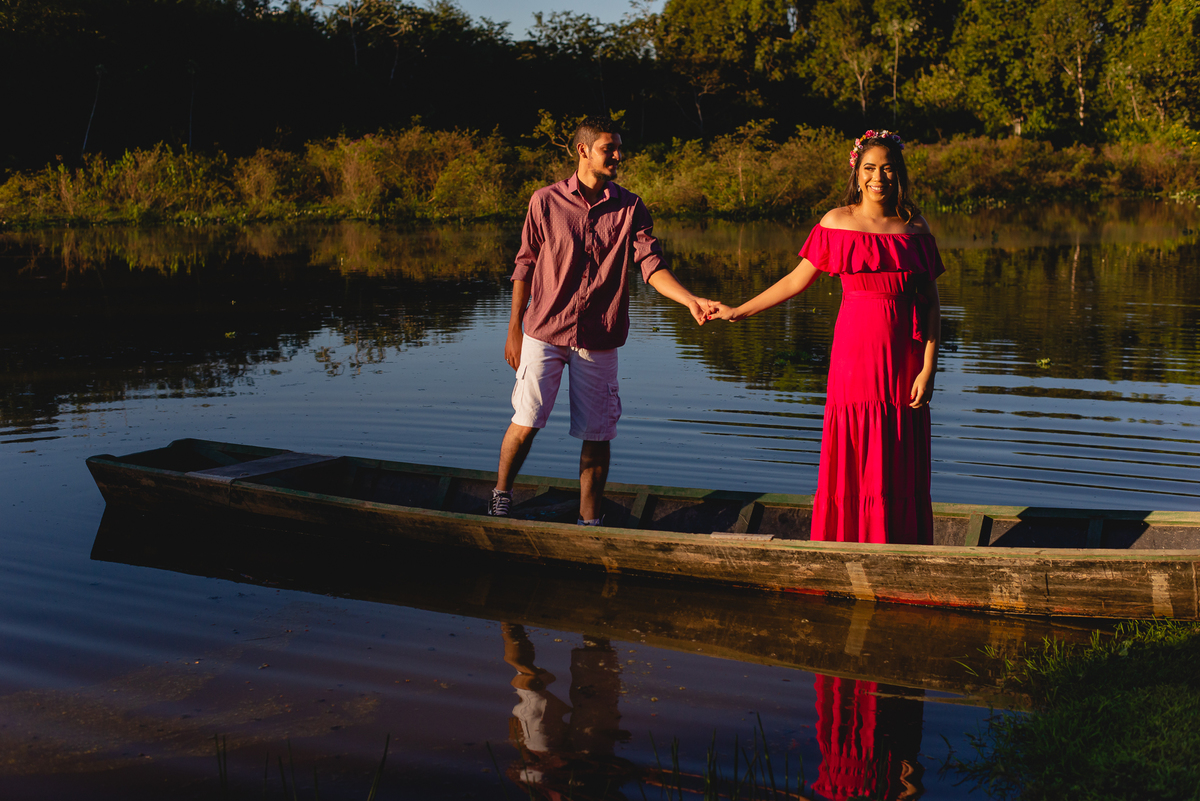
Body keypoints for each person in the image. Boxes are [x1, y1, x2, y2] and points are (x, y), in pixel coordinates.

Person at [709, 130, 942, 544]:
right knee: (856, 443)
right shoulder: (836, 222)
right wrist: (738, 311)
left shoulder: (915, 228)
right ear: (857, 171)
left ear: (899, 172)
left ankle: (898, 542)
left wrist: (929, 368)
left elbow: (931, 305)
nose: (879, 177)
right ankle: (849, 542)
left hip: (905, 357)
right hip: (855, 352)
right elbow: (795, 281)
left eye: (888, 168)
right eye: (869, 168)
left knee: (898, 447)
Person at [490, 116, 717, 524]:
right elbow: (524, 265)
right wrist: (513, 331)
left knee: (598, 433)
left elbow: (651, 265)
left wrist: (689, 300)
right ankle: (501, 493)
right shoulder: (545, 201)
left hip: (599, 335)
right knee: (526, 421)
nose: (617, 155)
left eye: (618, 148)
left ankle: (589, 521)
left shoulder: (631, 206)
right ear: (583, 151)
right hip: (543, 330)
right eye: (608, 148)